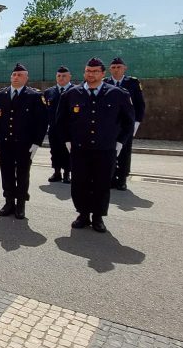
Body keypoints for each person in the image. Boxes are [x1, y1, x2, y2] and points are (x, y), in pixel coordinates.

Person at [57, 58, 135, 233]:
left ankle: (98, 217)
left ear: (102, 73)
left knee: (101, 183)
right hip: (79, 148)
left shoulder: (118, 94)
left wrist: (119, 143)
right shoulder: (70, 94)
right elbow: (61, 121)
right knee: (80, 182)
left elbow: (128, 122)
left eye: (95, 71)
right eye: (87, 71)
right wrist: (68, 141)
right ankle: (83, 214)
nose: (90, 74)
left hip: (105, 149)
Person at [0, 63, 48, 219]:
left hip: (24, 144)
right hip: (5, 143)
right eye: (14, 75)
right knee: (6, 173)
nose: (16, 77)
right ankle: (9, 202)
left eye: (20, 75)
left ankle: (20, 203)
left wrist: (36, 142)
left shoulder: (34, 96)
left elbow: (41, 122)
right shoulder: (1, 95)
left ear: (26, 78)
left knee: (22, 174)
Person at [105, 57, 145, 191]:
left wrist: (136, 124)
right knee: (109, 152)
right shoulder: (105, 83)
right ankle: (110, 177)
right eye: (114, 67)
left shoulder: (132, 83)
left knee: (124, 152)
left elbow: (140, 105)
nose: (116, 70)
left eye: (119, 67)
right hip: (109, 125)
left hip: (126, 125)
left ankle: (122, 179)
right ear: (110, 69)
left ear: (124, 68)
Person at [44, 67, 75, 183]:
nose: (61, 78)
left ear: (69, 77)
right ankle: (57, 172)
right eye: (59, 76)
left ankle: (67, 173)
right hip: (54, 129)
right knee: (55, 151)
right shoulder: (49, 92)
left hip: (69, 129)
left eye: (64, 76)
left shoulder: (76, 91)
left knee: (68, 151)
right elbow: (46, 111)